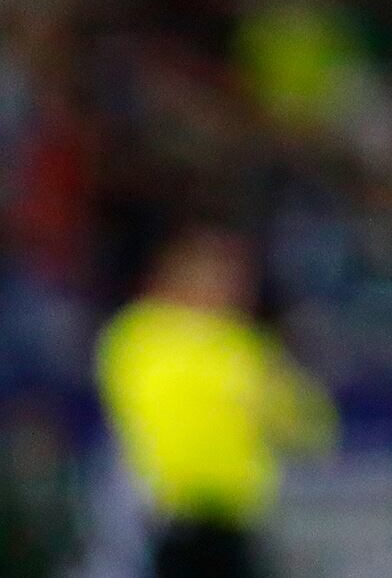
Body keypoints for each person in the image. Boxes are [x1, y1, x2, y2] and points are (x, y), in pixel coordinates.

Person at [92, 229, 331, 578]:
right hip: (168, 515)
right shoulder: (140, 335)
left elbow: (309, 425)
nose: (232, 290)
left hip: (234, 516)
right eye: (220, 277)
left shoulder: (240, 345)